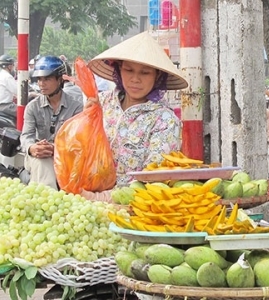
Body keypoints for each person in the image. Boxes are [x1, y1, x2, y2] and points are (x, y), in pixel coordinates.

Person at [80, 30, 188, 201]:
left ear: (157, 76)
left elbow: (153, 178)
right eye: (129, 70)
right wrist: (85, 121)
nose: (135, 79)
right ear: (119, 70)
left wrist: (106, 197)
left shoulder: (165, 121)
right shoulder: (102, 103)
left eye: (145, 73)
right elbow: (80, 149)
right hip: (85, 196)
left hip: (132, 208)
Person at [20, 56, 83, 190]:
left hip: (66, 157)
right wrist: (32, 148)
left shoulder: (76, 107)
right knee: (43, 161)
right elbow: (26, 135)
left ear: (60, 80)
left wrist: (56, 148)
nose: (42, 84)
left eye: (47, 79)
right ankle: (47, 199)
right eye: (39, 79)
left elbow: (77, 141)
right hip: (37, 156)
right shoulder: (32, 107)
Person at [0, 54, 17, 119]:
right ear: (9, 66)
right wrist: (32, 94)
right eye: (13, 65)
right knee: (28, 112)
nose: (13, 67)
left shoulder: (2, 74)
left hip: (3, 105)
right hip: (6, 106)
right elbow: (18, 91)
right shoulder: (7, 77)